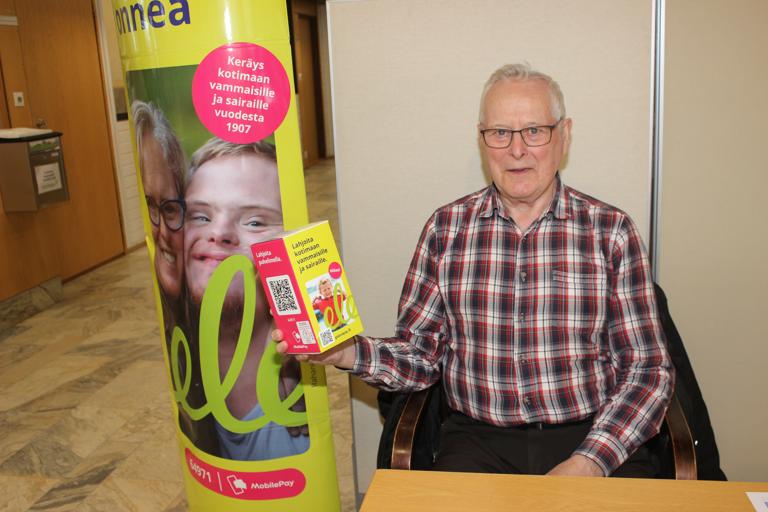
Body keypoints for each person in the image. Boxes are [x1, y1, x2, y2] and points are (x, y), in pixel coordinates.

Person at [275, 63, 675, 477]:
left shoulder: (611, 231)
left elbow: (648, 371)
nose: (516, 150)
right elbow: (420, 356)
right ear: (482, 139)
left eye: (534, 131)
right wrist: (346, 351)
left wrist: (590, 461)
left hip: (591, 435)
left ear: (564, 135)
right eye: (500, 132)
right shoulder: (445, 229)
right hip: (478, 442)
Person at [184, 137, 309, 461]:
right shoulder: (182, 367)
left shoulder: (304, 413)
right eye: (200, 216)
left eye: (255, 221)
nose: (219, 233)